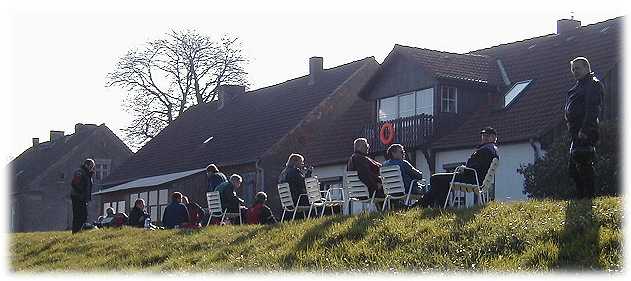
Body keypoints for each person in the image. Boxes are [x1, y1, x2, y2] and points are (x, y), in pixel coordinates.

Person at [420, 127, 499, 208]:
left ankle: (431, 205)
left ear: (493, 137)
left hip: (471, 179)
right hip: (475, 178)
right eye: (483, 136)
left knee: (435, 178)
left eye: (486, 136)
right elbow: (479, 167)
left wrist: (464, 169)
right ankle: (430, 204)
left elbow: (477, 168)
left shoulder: (486, 150)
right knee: (440, 180)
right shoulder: (492, 150)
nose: (483, 138)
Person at [564, 57, 604, 199]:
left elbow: (593, 108)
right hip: (575, 132)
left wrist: (585, 130)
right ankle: (582, 196)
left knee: (584, 164)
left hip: (585, 131)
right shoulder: (577, 87)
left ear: (587, 68)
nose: (575, 71)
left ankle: (588, 197)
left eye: (578, 68)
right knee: (573, 169)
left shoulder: (593, 84)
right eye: (573, 69)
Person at [71, 158, 95, 233]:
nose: (91, 168)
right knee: (79, 215)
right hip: (78, 197)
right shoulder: (80, 172)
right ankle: (76, 231)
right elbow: (75, 183)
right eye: (91, 166)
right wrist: (81, 193)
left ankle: (79, 230)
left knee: (83, 215)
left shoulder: (87, 173)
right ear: (86, 165)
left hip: (83, 198)